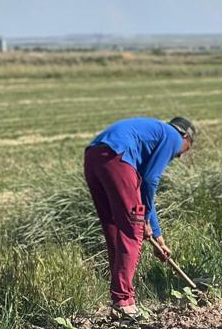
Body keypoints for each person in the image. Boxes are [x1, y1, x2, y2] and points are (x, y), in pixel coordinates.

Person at [84, 116, 196, 317]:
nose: (179, 156)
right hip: (118, 158)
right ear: (185, 136)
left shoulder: (155, 133)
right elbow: (150, 180)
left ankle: (119, 301)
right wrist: (142, 221)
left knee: (115, 229)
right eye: (186, 149)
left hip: (94, 156)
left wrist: (158, 236)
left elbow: (141, 186)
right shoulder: (172, 136)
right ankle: (124, 301)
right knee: (132, 231)